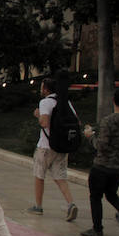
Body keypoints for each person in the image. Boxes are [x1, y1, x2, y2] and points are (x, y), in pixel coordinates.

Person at [81, 87, 119, 236]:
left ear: (113, 100)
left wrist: (90, 136)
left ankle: (97, 229)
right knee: (112, 195)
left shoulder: (109, 120)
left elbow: (101, 145)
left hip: (102, 165)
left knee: (95, 196)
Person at [26, 77, 78, 221]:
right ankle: (70, 203)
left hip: (45, 146)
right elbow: (76, 121)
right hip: (61, 146)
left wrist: (38, 115)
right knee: (60, 177)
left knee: (39, 175)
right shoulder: (65, 102)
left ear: (46, 89)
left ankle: (38, 206)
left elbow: (44, 122)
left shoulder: (45, 102)